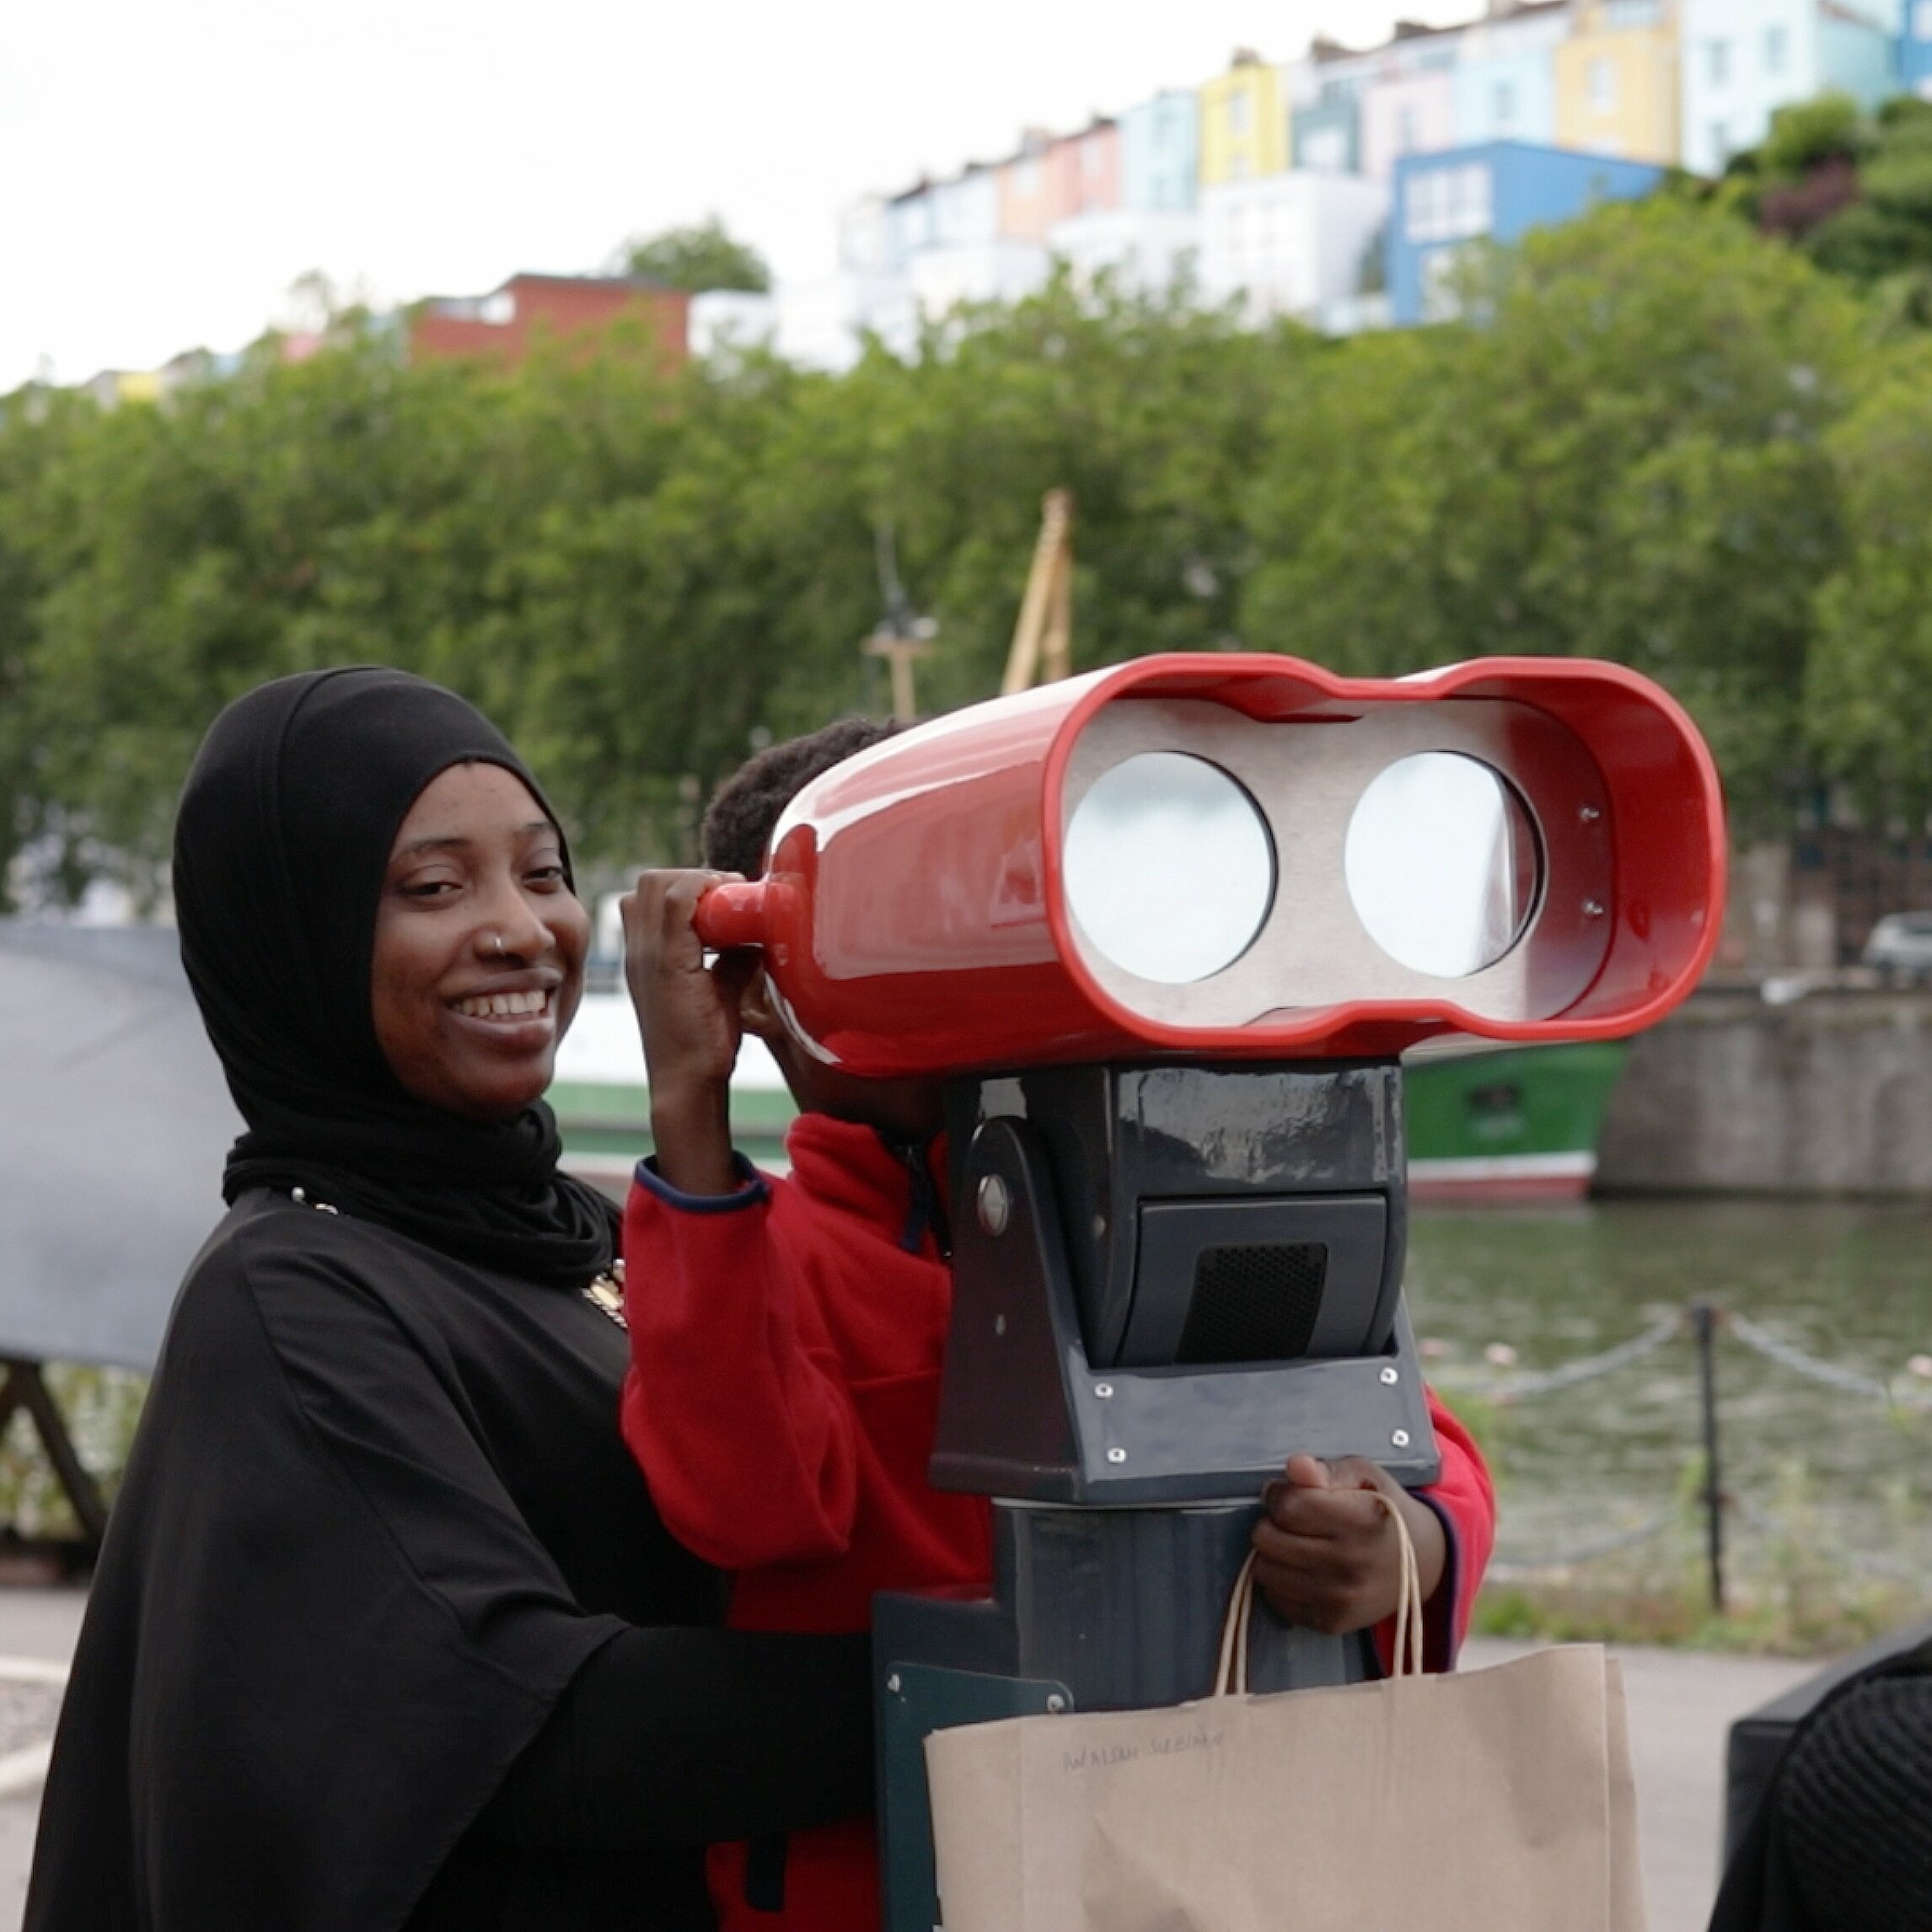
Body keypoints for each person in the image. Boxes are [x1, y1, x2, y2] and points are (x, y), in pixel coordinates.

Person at [26, 668, 876, 1932]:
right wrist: (987, 1688)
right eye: (433, 888)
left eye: (542, 873)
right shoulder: (292, 1298)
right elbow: (534, 1729)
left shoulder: (589, 1231)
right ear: (293, 935)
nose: (522, 930)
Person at [619, 718, 1498, 1932]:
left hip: (1189, 1870)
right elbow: (745, 1503)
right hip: (869, 1888)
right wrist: (689, 1122)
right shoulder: (737, 1245)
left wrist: (1412, 1545)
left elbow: (1410, 1434)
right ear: (758, 987)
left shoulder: (1164, 1199)